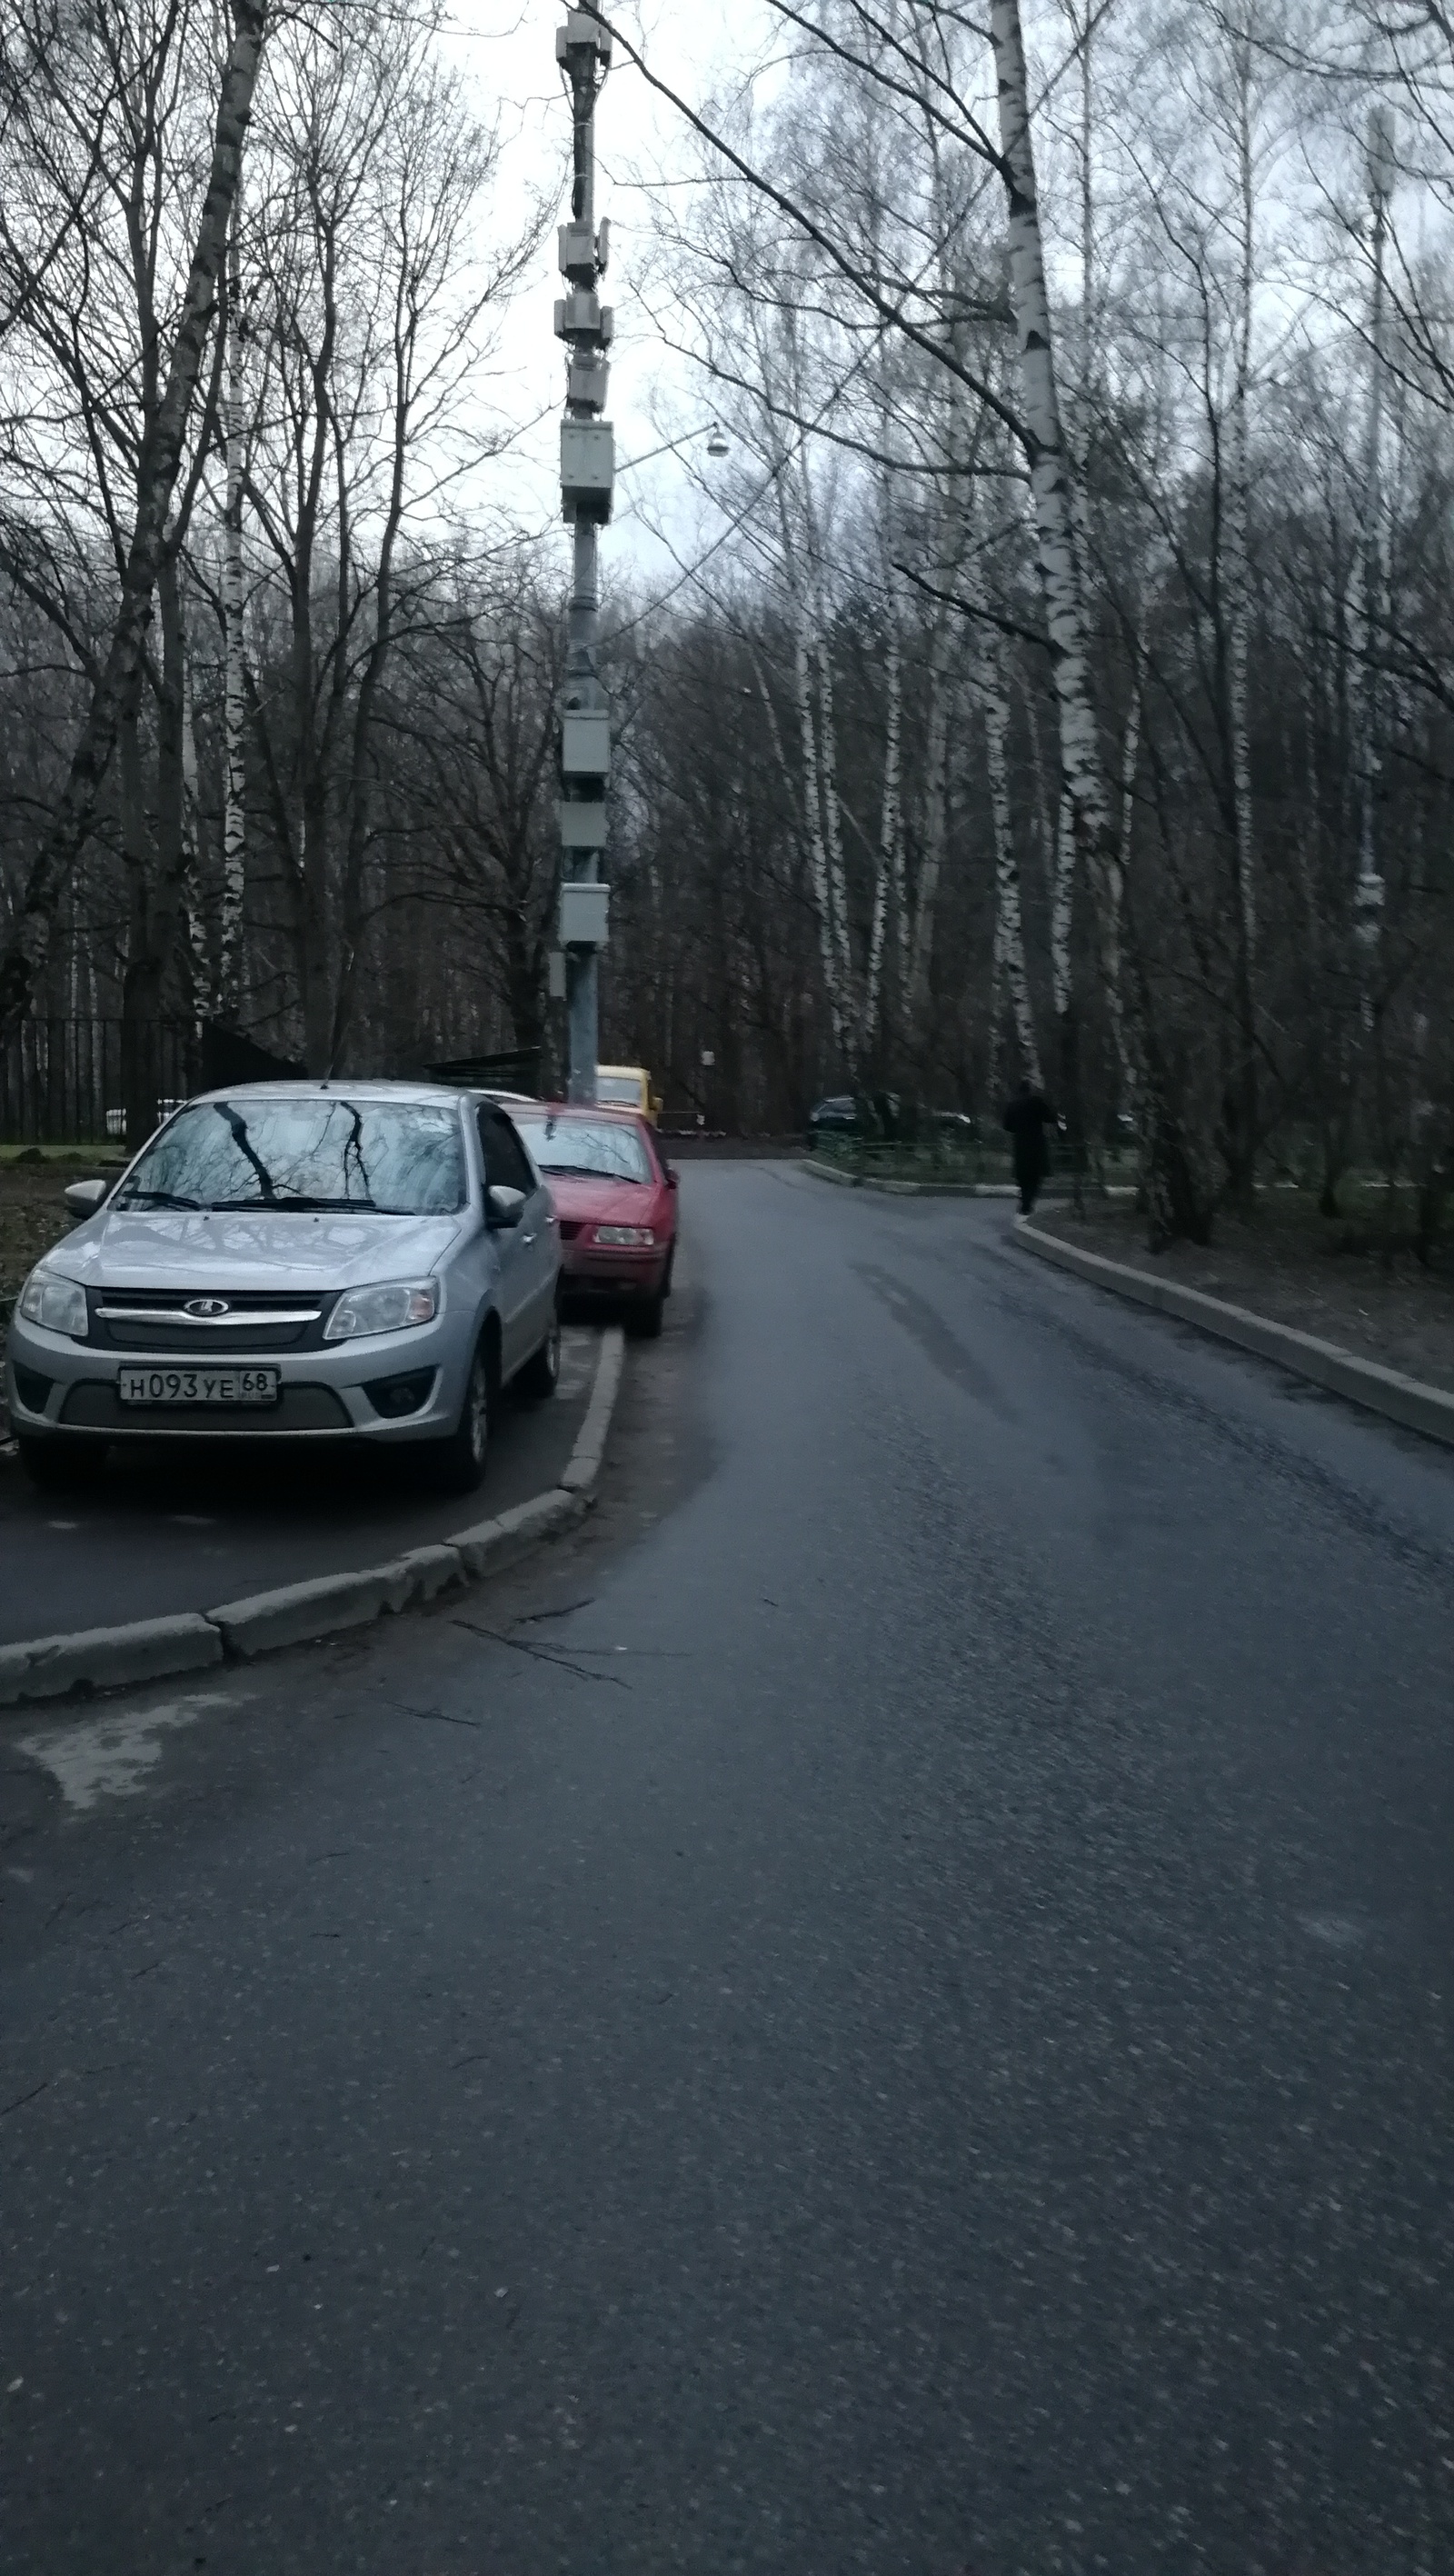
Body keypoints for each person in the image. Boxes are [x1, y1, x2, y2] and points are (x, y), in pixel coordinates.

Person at [1001, 1076, 1057, 1216]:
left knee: (1023, 1176)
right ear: (1030, 1090)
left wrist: (1018, 1128)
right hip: (1036, 1144)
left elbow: (1007, 1126)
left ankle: (1024, 1201)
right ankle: (1027, 1203)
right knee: (1035, 1177)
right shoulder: (1036, 1102)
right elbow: (1049, 1118)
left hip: (1020, 1144)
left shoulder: (1013, 1105)